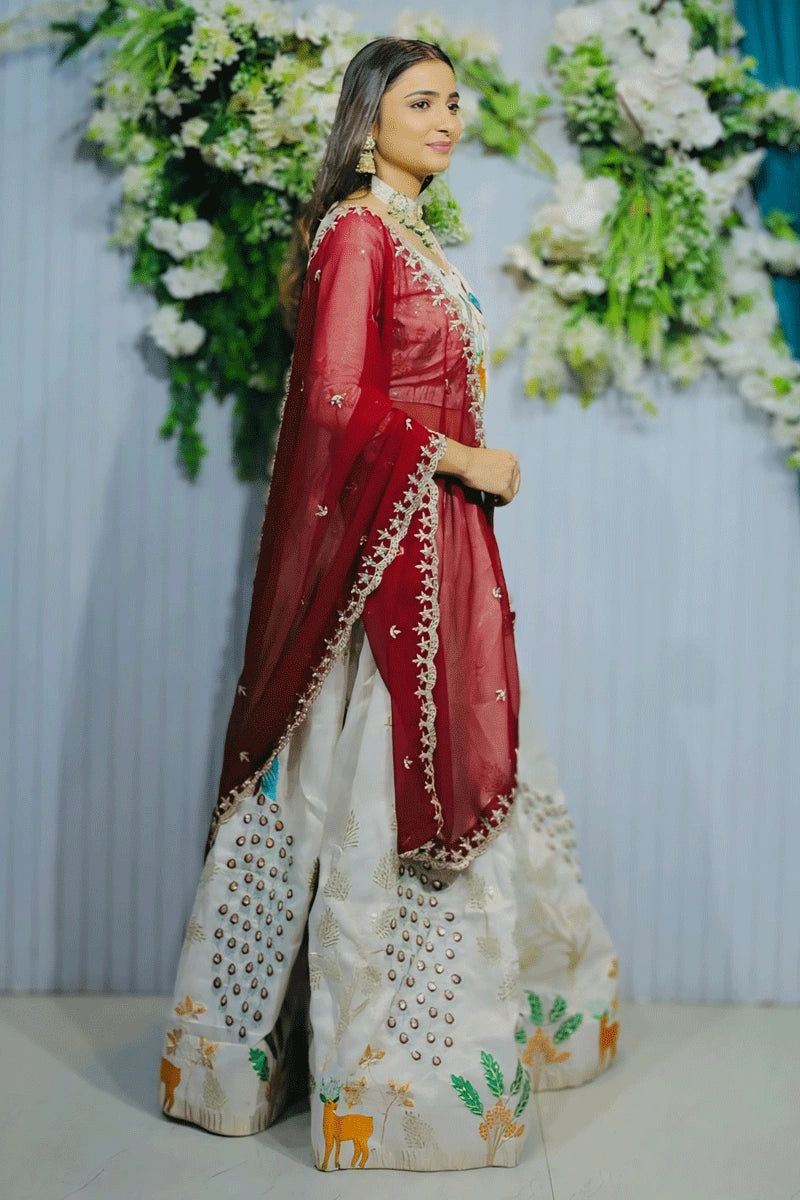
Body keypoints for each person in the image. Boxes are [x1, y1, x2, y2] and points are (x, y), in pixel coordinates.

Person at [159, 36, 621, 1171]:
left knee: (458, 755)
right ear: (366, 121)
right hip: (386, 564)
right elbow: (331, 406)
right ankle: (385, 1083)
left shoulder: (409, 236)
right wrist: (462, 459)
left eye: (454, 103)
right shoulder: (358, 234)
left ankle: (453, 1060)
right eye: (423, 103)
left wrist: (456, 475)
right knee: (363, 787)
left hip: (431, 541)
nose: (447, 120)